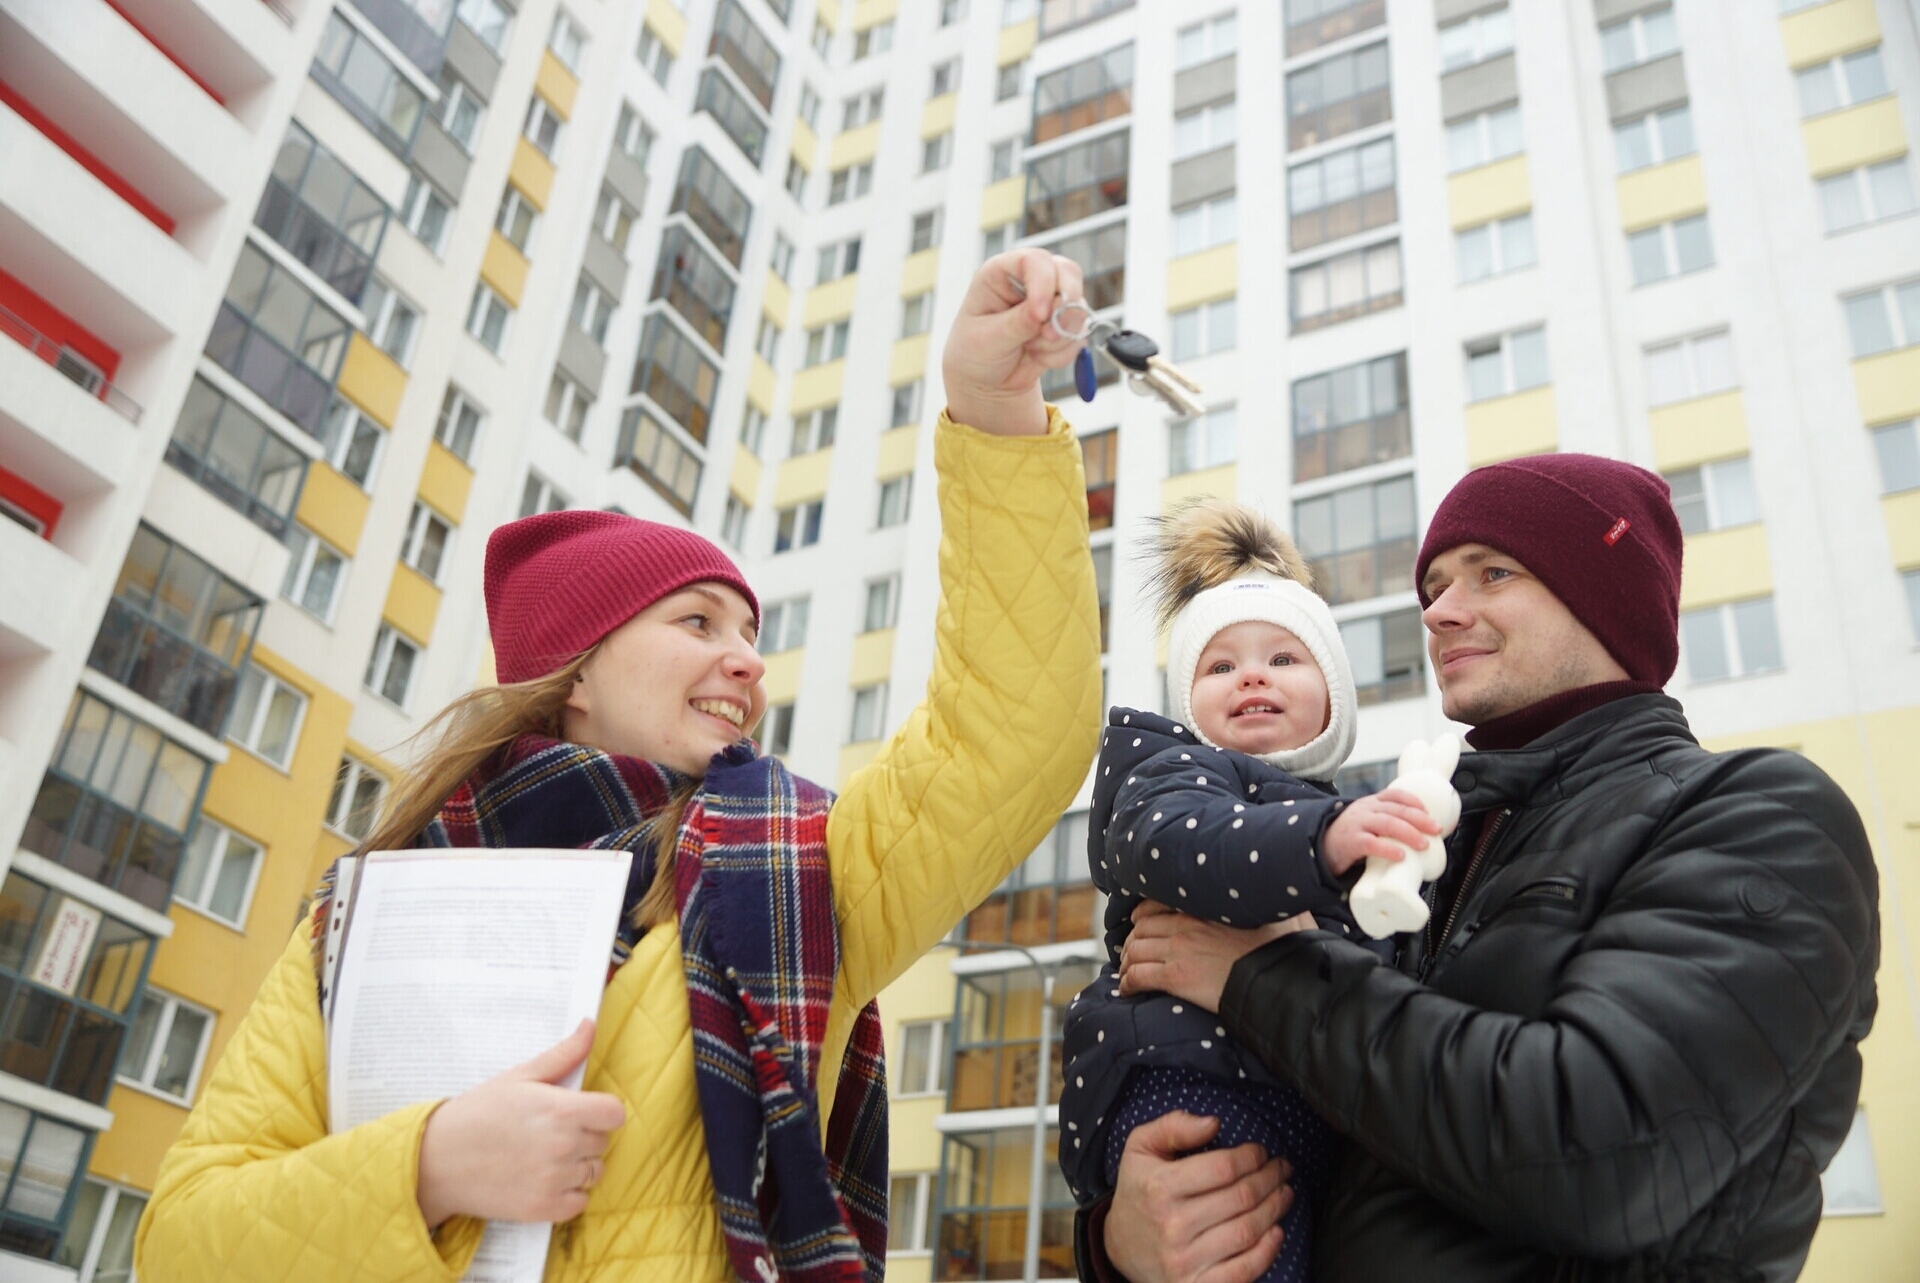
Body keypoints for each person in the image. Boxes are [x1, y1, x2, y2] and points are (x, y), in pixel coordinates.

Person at [134, 250, 1106, 1283]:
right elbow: (183, 1237)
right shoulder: (364, 919)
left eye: (748, 631)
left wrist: (990, 413)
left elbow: (1012, 727)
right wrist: (425, 1165)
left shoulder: (801, 872)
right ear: (576, 675)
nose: (745, 657)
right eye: (696, 620)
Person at [1080, 454, 1880, 1283]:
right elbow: (1342, 1124)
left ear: (1602, 593)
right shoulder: (1432, 844)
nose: (1441, 613)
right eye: (1433, 589)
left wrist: (1262, 974)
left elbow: (1601, 1152)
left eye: (1492, 572)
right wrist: (1122, 1241)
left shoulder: (1762, 816)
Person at [1057, 501, 1445, 1283]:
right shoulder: (1175, 775)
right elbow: (1190, 845)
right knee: (1235, 1252)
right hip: (1193, 1084)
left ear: (1334, 695)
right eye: (1220, 665)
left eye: (1284, 658)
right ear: (1187, 701)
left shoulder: (1351, 813)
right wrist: (1325, 840)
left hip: (1312, 1104)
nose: (1253, 675)